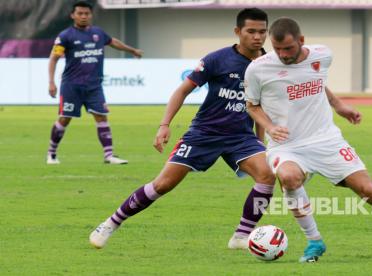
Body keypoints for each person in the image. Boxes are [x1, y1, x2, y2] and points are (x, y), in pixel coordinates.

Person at [244, 17, 372, 263]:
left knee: (368, 190)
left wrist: (338, 106)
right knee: (289, 177)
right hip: (288, 145)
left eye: (288, 48)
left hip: (327, 141)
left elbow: (317, 82)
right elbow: (252, 106)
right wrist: (270, 127)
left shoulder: (323, 55)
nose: (282, 54)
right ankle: (314, 242)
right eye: (277, 48)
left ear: (302, 41)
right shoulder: (258, 68)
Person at [89, 8, 276, 250]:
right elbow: (182, 91)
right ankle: (111, 223)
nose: (257, 37)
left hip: (240, 137)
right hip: (203, 134)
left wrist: (260, 139)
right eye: (251, 31)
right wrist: (164, 125)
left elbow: (258, 105)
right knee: (162, 184)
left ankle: (241, 235)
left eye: (262, 32)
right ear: (238, 32)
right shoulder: (217, 60)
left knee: (267, 175)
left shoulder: (268, 65)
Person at [46, 1, 142, 165]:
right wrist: (51, 82)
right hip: (71, 86)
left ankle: (109, 155)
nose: (83, 16)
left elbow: (113, 42)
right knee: (65, 118)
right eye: (80, 13)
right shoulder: (65, 36)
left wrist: (132, 50)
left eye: (86, 14)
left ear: (91, 15)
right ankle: (51, 154)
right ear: (73, 15)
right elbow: (54, 58)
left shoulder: (98, 33)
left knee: (101, 116)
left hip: (94, 86)